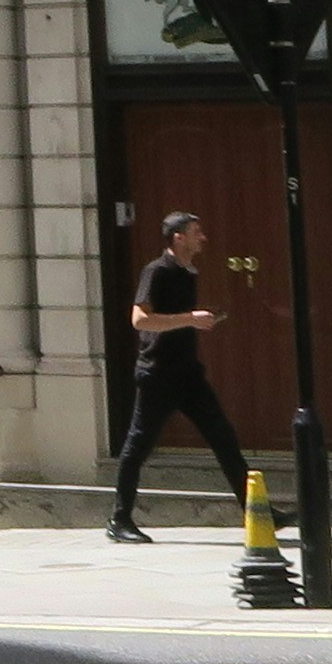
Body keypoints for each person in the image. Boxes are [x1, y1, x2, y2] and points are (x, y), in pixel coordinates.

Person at [109, 210, 244, 542]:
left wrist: (202, 320)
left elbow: (181, 320)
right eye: (196, 232)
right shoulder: (156, 271)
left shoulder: (188, 272)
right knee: (137, 445)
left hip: (187, 374)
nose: (203, 238)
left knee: (224, 437)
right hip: (158, 375)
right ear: (178, 238)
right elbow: (140, 321)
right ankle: (119, 520)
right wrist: (190, 319)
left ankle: (259, 512)